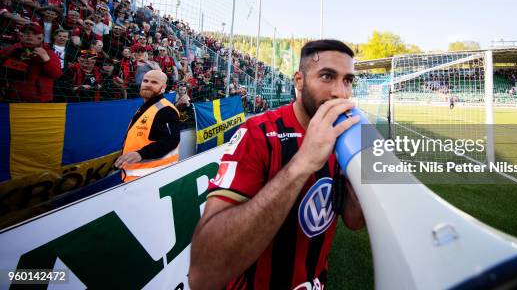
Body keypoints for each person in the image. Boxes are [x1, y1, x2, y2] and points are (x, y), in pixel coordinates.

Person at [189, 39, 365, 290]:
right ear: (299, 81)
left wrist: (366, 177)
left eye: (348, 80)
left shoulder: (346, 133)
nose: (340, 92)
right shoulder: (257, 133)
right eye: (327, 76)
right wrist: (302, 163)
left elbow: (354, 220)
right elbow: (203, 274)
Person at [114, 70, 181, 182]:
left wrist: (140, 154)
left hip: (153, 177)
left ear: (163, 87)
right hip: (135, 175)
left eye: (154, 82)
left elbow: (172, 140)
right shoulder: (146, 106)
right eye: (145, 81)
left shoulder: (165, 110)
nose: (148, 84)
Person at [0, 23, 62, 102]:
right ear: (21, 36)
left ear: (41, 37)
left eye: (34, 33)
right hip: (12, 98)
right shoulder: (10, 50)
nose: (29, 35)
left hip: (40, 100)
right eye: (26, 32)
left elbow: (56, 74)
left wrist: (46, 59)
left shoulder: (49, 52)